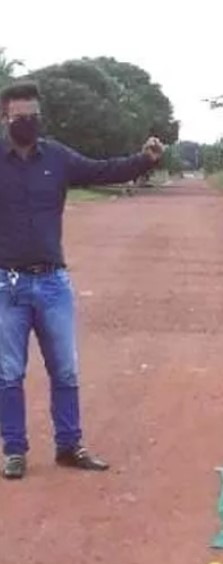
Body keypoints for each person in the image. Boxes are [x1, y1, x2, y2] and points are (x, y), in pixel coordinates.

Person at [0, 81, 163, 480]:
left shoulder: (56, 157)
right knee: (8, 373)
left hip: (53, 284)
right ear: (5, 118)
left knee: (66, 371)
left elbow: (102, 169)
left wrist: (144, 160)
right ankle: (14, 451)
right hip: (7, 285)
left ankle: (70, 446)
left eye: (34, 115)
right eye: (20, 116)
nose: (28, 122)